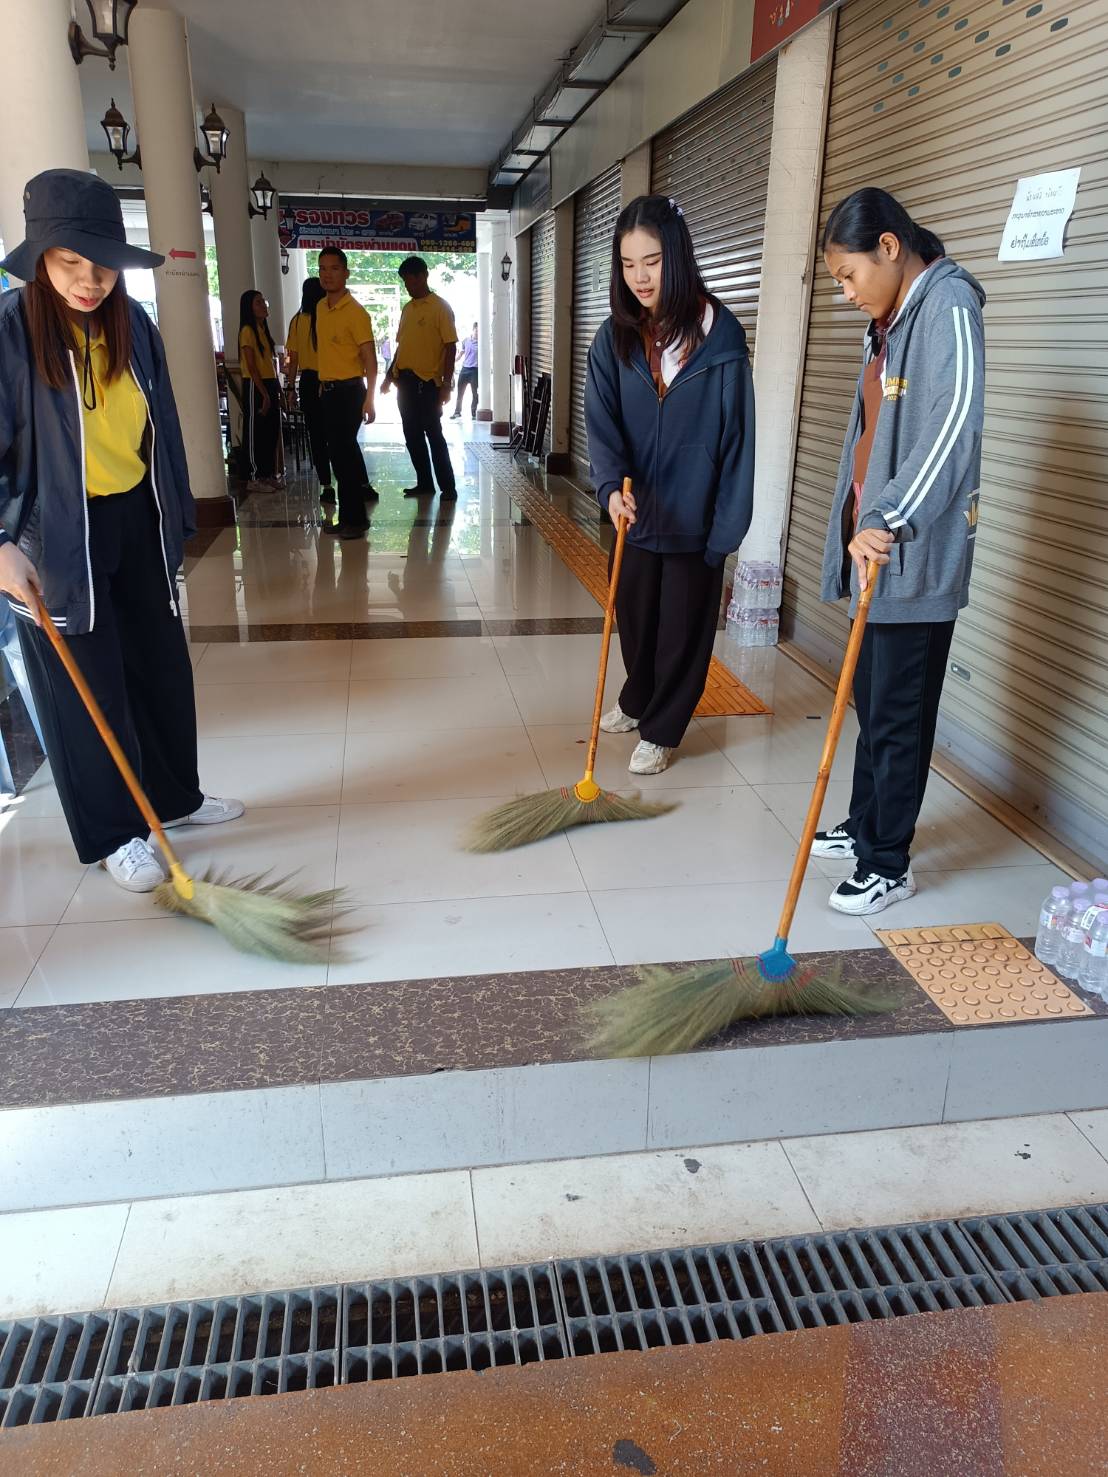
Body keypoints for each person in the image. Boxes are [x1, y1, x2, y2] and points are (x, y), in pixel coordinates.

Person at [0, 169, 243, 891]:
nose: (89, 280)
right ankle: (115, 831)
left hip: (135, 518)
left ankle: (172, 797)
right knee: (88, 690)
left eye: (102, 264)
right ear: (40, 258)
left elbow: (159, 427)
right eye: (70, 263)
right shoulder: (11, 332)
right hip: (53, 536)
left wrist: (174, 515)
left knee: (159, 666)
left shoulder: (133, 325)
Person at [812, 187, 986, 916]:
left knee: (898, 713)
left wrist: (891, 516)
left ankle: (889, 861)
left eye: (849, 276)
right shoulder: (891, 319)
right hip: (874, 546)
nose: (847, 293)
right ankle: (864, 827)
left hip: (908, 553)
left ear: (889, 247)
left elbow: (952, 428)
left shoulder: (948, 307)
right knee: (870, 699)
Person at [584, 194, 755, 776]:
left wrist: (726, 529)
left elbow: (737, 443)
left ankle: (663, 728)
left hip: (694, 519)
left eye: (651, 261)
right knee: (635, 618)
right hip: (635, 512)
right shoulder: (614, 340)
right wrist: (609, 489)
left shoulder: (722, 340)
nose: (640, 278)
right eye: (629, 265)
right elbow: (602, 425)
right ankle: (638, 698)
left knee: (681, 631)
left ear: (676, 256)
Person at [381, 256, 458, 498]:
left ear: (424, 276)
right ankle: (425, 483)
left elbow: (451, 347)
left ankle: (448, 487)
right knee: (411, 436)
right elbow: (401, 346)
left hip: (429, 384)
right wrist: (389, 374)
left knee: (433, 434)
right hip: (405, 382)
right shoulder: (407, 309)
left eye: (411, 280)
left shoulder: (440, 308)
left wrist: (446, 384)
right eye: (405, 282)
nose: (408, 286)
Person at [316, 246, 377, 539]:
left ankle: (357, 520)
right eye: (322, 269)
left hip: (350, 392)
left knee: (345, 457)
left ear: (346, 273)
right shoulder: (320, 307)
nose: (327, 275)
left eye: (334, 269)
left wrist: (370, 398)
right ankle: (351, 518)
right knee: (340, 457)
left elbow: (370, 359)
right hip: (328, 392)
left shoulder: (356, 313)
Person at [285, 277, 334, 506]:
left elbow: (293, 360)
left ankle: (326, 485)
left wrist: (290, 388)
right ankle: (350, 480)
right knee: (335, 435)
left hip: (307, 381)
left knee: (316, 437)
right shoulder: (326, 318)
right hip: (329, 381)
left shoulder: (296, 321)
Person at [238, 289, 282, 492]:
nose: (264, 305)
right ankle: (254, 477)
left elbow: (269, 364)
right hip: (255, 386)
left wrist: (277, 389)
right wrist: (263, 394)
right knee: (255, 432)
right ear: (249, 308)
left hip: (270, 383)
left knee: (270, 431)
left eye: (264, 301)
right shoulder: (247, 331)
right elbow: (252, 366)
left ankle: (268, 474)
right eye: (258, 302)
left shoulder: (263, 329)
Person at [451, 322, 478, 419]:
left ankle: (474, 412)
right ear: (473, 330)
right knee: (460, 392)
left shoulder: (482, 343)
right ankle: (457, 411)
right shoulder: (466, 341)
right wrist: (452, 361)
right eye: (476, 330)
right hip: (465, 369)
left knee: (475, 393)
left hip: (475, 371)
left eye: (479, 331)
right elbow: (460, 354)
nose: (477, 333)